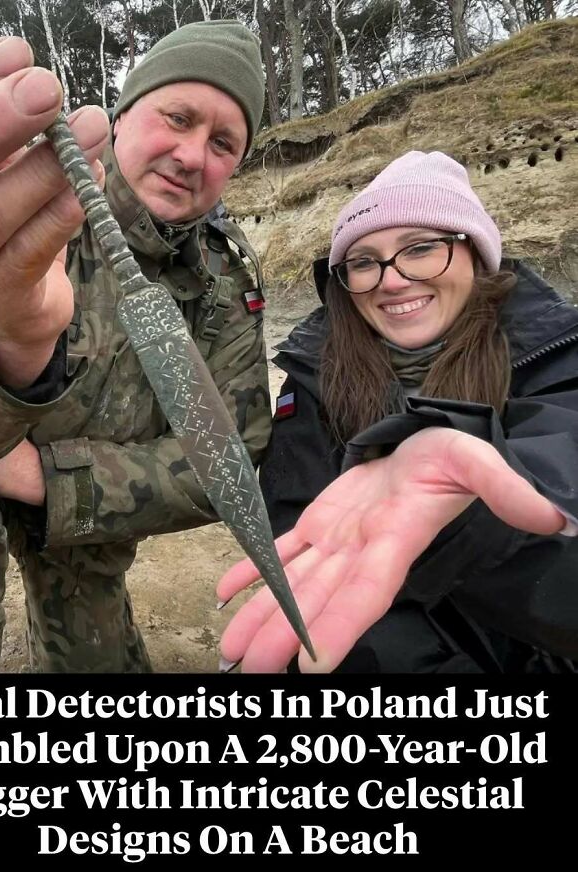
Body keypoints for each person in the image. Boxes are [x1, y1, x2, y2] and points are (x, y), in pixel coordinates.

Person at [0, 21, 271, 672]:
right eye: (178, 117)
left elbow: (228, 460)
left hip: (84, 523)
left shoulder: (223, 282)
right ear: (122, 113)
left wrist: (52, 479)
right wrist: (5, 337)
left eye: (224, 142)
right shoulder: (16, 202)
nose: (193, 154)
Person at [217, 151, 578, 674]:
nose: (391, 279)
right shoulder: (314, 375)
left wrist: (463, 514)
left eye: (421, 248)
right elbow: (299, 534)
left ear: (475, 254)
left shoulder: (559, 354)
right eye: (364, 261)